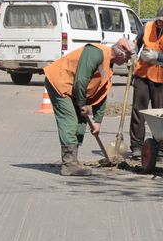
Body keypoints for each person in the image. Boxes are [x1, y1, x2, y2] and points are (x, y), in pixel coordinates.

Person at [43, 39, 134, 176]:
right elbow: (81, 79)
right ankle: (69, 164)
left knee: (80, 123)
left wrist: (97, 121)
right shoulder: (95, 53)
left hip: (75, 90)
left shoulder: (108, 66)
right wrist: (82, 104)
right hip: (60, 82)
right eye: (127, 59)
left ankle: (74, 159)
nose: (126, 62)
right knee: (70, 121)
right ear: (121, 54)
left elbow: (102, 92)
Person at [129, 6, 163, 159]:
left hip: (161, 79)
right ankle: (137, 147)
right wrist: (134, 51)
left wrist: (157, 57)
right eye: (161, 21)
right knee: (138, 112)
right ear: (157, 18)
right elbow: (138, 42)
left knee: (160, 115)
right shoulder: (147, 27)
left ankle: (159, 148)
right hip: (142, 75)